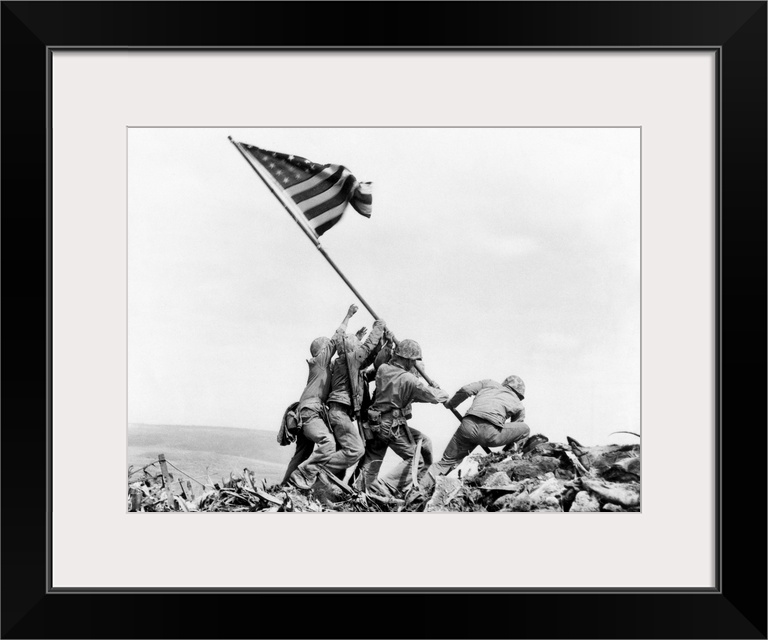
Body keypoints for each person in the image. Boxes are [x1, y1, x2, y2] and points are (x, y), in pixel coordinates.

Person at [353, 338, 449, 494]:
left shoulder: (383, 369)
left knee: (373, 458)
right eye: (413, 361)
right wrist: (441, 391)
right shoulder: (409, 379)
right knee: (416, 460)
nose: (414, 364)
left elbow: (408, 393)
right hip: (391, 425)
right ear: (408, 360)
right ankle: (384, 487)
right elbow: (432, 396)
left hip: (374, 422)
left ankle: (360, 490)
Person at [287, 304, 358, 490]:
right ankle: (305, 475)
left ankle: (285, 487)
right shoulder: (319, 362)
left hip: (308, 412)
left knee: (301, 454)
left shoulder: (324, 368)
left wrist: (355, 339)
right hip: (310, 412)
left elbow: (344, 354)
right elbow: (335, 340)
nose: (330, 350)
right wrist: (348, 315)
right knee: (328, 442)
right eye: (327, 348)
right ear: (321, 351)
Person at [422, 375, 531, 490]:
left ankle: (418, 489)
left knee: (444, 463)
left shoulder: (489, 383)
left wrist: (451, 404)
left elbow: (466, 390)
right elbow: (515, 432)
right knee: (525, 429)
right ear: (519, 394)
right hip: (490, 433)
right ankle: (509, 459)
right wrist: (505, 454)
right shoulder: (519, 405)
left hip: (467, 427)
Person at [323, 318, 388, 480]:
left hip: (341, 413)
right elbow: (367, 349)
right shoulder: (348, 359)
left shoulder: (349, 366)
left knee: (343, 453)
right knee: (356, 450)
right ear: (353, 349)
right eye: (357, 347)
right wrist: (378, 327)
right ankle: (315, 469)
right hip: (339, 413)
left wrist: (383, 343)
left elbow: (371, 357)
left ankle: (328, 486)